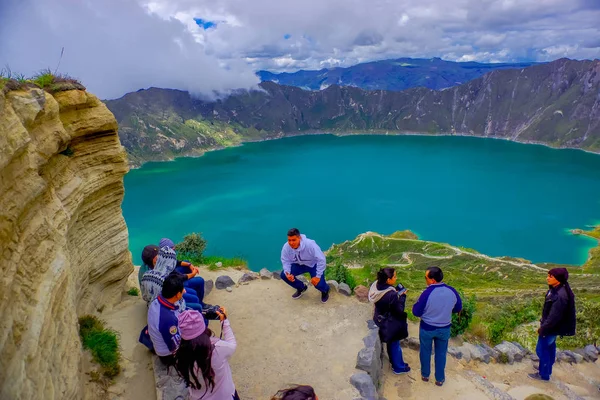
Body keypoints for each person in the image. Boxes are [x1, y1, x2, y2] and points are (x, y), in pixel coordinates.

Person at [412, 266, 462, 387]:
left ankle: (425, 375)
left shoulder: (426, 293)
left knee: (425, 351)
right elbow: (458, 308)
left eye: (426, 277)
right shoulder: (452, 291)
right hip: (444, 328)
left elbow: (416, 312)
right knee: (441, 353)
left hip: (427, 328)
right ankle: (439, 379)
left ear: (432, 280)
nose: (425, 279)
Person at [175, 308, 239, 400]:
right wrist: (224, 322)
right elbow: (232, 345)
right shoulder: (218, 348)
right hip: (225, 396)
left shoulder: (180, 356)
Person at [528, 268, 576, 382]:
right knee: (549, 348)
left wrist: (543, 329)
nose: (547, 278)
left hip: (550, 328)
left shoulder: (560, 296)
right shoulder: (555, 290)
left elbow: (554, 317)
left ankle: (544, 374)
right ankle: (546, 368)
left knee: (541, 350)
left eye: (550, 276)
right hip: (552, 328)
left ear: (558, 279)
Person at [368, 268, 410, 374]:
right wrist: (402, 296)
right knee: (395, 344)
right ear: (388, 280)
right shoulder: (390, 295)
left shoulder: (376, 285)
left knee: (392, 343)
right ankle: (398, 367)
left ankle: (395, 364)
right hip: (389, 322)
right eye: (394, 276)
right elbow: (399, 309)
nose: (396, 278)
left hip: (379, 317)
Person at [140, 241, 203, 311]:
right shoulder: (164, 276)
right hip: (165, 307)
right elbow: (177, 298)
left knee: (193, 295)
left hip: (154, 303)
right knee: (197, 305)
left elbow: (145, 296)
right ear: (155, 259)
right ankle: (200, 318)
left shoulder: (145, 274)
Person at [280, 228, 330, 302]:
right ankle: (301, 287)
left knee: (318, 284)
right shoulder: (286, 247)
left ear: (299, 238)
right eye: (289, 240)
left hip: (313, 265)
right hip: (299, 265)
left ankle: (325, 290)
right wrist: (287, 273)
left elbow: (321, 259)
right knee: (284, 275)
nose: (291, 243)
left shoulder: (310, 245)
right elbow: (285, 260)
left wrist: (318, 276)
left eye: (294, 240)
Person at [148, 274, 185, 365]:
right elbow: (174, 346)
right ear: (178, 294)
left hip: (162, 340)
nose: (184, 291)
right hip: (168, 355)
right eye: (182, 290)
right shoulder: (168, 320)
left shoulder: (157, 301)